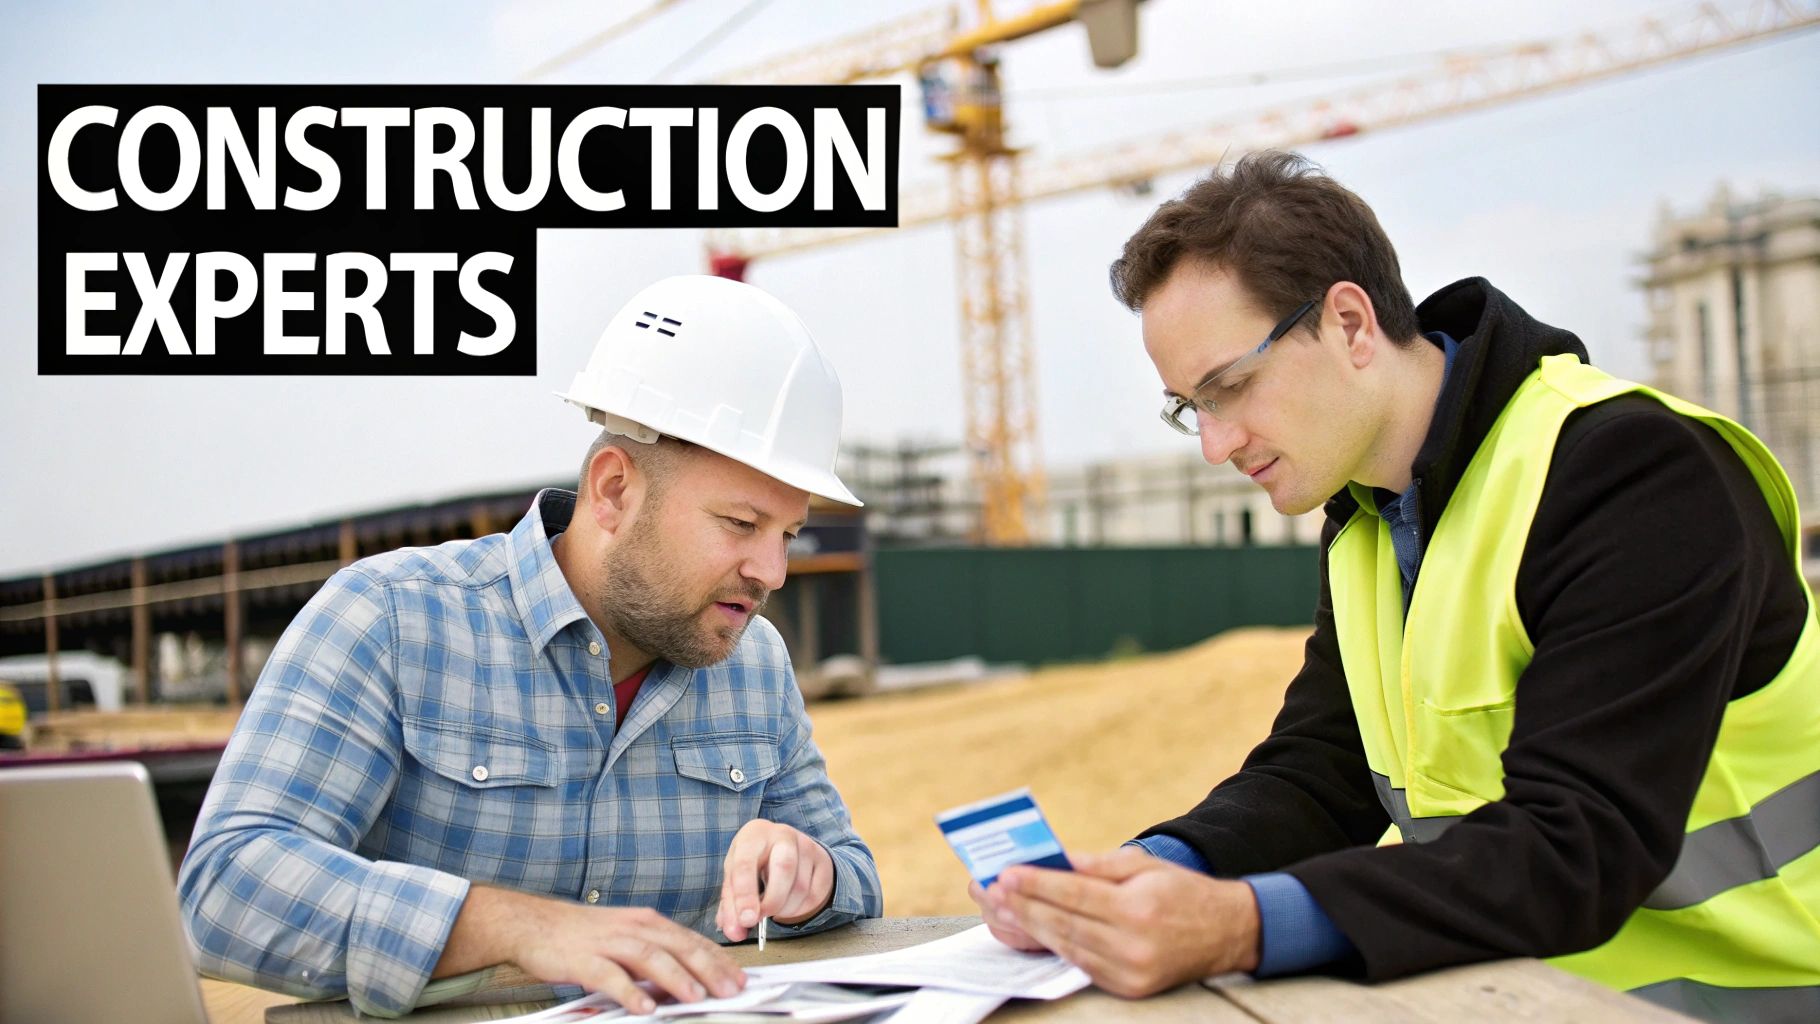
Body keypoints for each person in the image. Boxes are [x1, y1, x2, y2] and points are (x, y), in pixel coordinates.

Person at [971, 151, 1820, 1023]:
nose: (1214, 445)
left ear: (1348, 323)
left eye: (1229, 388)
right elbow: (1320, 773)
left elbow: (1578, 844)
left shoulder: (1636, 475)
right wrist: (1161, 868)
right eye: (1191, 406)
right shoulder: (1370, 518)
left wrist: (1238, 925)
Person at [179, 275, 884, 1018]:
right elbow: (227, 888)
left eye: (788, 536)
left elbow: (857, 880)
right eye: (741, 524)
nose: (771, 572)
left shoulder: (756, 664)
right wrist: (508, 925)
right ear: (613, 491)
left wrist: (813, 879)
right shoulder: (390, 620)